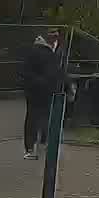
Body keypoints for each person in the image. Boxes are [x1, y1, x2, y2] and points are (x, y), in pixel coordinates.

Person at [18, 31, 64, 159]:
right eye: (53, 37)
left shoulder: (52, 51)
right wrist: (41, 82)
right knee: (35, 117)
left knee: (43, 117)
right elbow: (26, 72)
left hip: (44, 89)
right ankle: (32, 147)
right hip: (37, 90)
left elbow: (56, 71)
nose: (55, 40)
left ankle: (40, 143)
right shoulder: (39, 51)